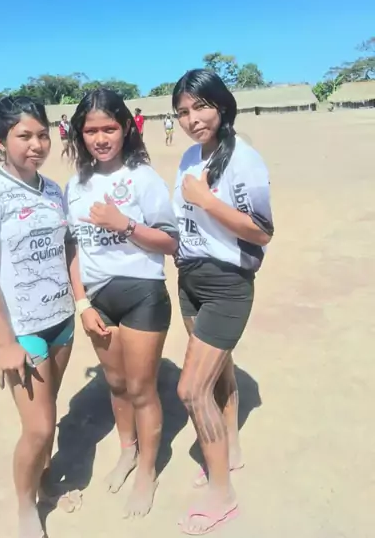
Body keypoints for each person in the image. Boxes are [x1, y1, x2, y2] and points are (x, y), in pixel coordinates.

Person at [0, 96, 82, 538]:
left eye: (43, 135)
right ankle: (25, 507)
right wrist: (5, 342)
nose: (37, 145)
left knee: (49, 412)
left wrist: (81, 302)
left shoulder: (52, 190)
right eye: (24, 136)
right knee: (39, 427)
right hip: (23, 331)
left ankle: (46, 483)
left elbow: (67, 248)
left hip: (61, 321)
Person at [65, 89, 178, 518]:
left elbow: (170, 242)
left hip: (142, 294)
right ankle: (127, 451)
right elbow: (73, 249)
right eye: (90, 130)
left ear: (127, 128)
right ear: (79, 134)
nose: (100, 138)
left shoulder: (143, 178)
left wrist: (124, 224)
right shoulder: (76, 185)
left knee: (141, 388)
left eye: (109, 128)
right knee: (115, 384)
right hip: (97, 299)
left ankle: (147, 471)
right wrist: (82, 304)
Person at [172, 69, 274, 534]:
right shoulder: (189, 158)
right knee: (219, 373)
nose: (192, 119)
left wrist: (207, 200)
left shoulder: (244, 160)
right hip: (190, 278)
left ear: (222, 106)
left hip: (227, 284)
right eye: (183, 112)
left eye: (201, 107)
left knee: (191, 390)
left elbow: (262, 231)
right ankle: (227, 450)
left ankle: (222, 494)